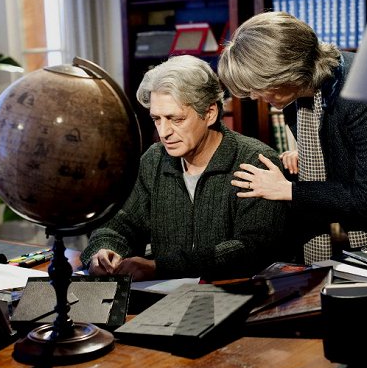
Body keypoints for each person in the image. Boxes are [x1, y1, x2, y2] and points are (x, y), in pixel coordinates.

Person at [217, 11, 367, 263]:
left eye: (259, 85)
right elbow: (338, 143)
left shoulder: (366, 90)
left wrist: (288, 190)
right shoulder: (298, 96)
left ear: (286, 72)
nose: (255, 95)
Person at [80, 55, 290, 281]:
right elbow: (119, 224)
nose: (164, 132)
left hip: (235, 297)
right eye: (156, 119)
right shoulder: (154, 159)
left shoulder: (254, 160)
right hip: (164, 299)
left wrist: (161, 267)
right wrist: (103, 252)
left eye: (175, 119)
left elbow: (252, 249)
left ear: (209, 114)